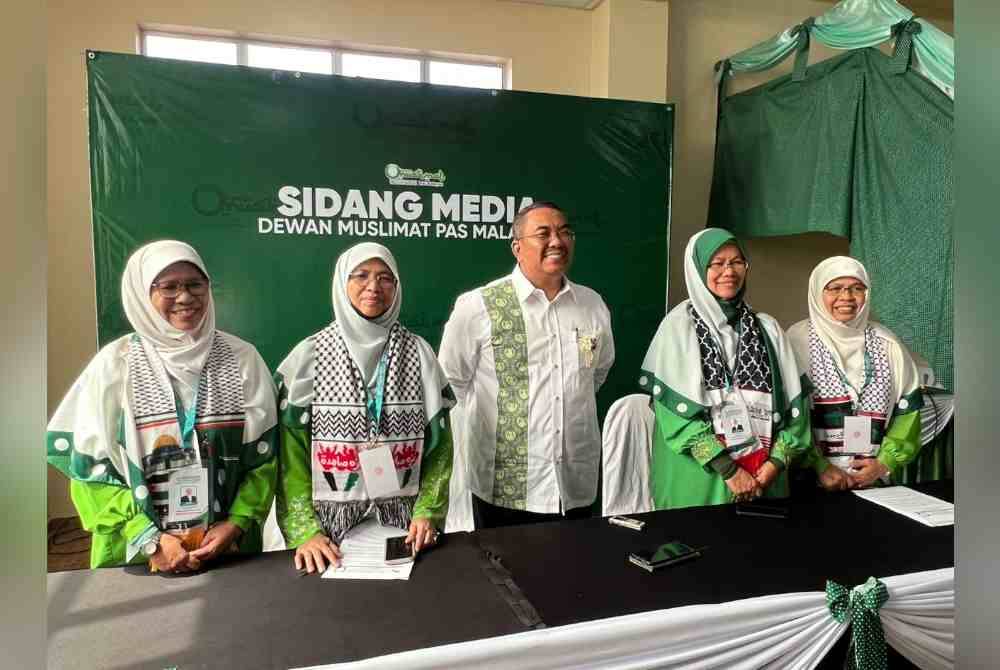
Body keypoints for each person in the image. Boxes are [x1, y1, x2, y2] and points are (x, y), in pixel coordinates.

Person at [46, 240, 278, 571]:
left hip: (228, 550)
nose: (185, 297)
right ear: (141, 294)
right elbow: (89, 473)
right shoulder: (115, 366)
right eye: (168, 286)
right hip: (137, 553)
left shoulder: (242, 360)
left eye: (195, 284)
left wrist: (237, 523)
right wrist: (150, 539)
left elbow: (264, 461)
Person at [275, 242, 453, 574]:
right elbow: (290, 456)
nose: (374, 287)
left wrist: (428, 511)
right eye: (361, 275)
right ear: (342, 282)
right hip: (327, 536)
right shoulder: (309, 356)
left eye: (386, 278)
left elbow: (440, 447)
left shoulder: (419, 353)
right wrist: (305, 531)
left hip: (407, 528)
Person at [439, 201, 615, 528]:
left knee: (573, 573)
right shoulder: (479, 306)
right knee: (502, 577)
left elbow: (597, 372)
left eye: (564, 232)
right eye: (543, 233)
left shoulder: (591, 305)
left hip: (574, 482)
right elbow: (452, 381)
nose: (557, 241)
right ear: (517, 247)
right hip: (504, 485)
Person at [639, 228, 811, 509]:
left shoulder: (768, 328)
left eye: (737, 262)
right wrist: (729, 470)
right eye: (716, 263)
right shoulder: (679, 327)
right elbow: (674, 419)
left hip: (764, 477)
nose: (728, 271)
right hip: (700, 480)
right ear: (697, 270)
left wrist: (775, 465)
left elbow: (797, 412)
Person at [788, 256, 923, 490]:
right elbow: (786, 415)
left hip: (874, 483)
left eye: (857, 288)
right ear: (817, 292)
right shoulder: (795, 342)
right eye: (835, 288)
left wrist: (884, 463)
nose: (847, 297)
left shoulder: (888, 344)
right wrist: (819, 466)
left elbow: (908, 412)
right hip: (808, 483)